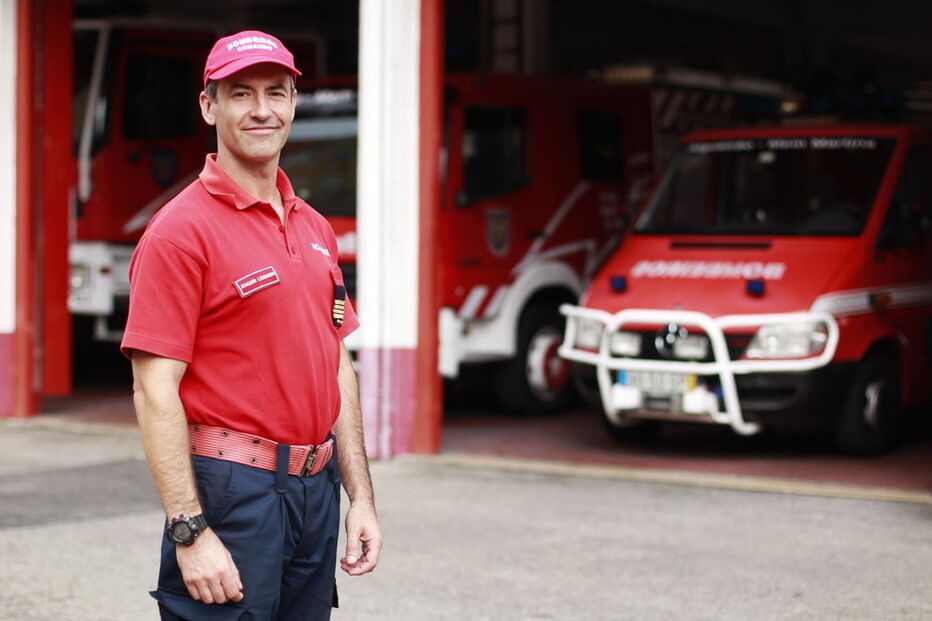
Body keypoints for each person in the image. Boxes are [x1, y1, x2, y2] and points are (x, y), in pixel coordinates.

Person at [121, 30, 381, 620]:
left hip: (316, 490)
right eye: (241, 94)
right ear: (209, 106)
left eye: (276, 92)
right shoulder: (179, 232)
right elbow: (153, 389)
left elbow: (334, 360)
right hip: (233, 491)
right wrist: (190, 531)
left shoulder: (313, 226)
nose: (261, 109)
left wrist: (359, 498)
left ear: (293, 102)